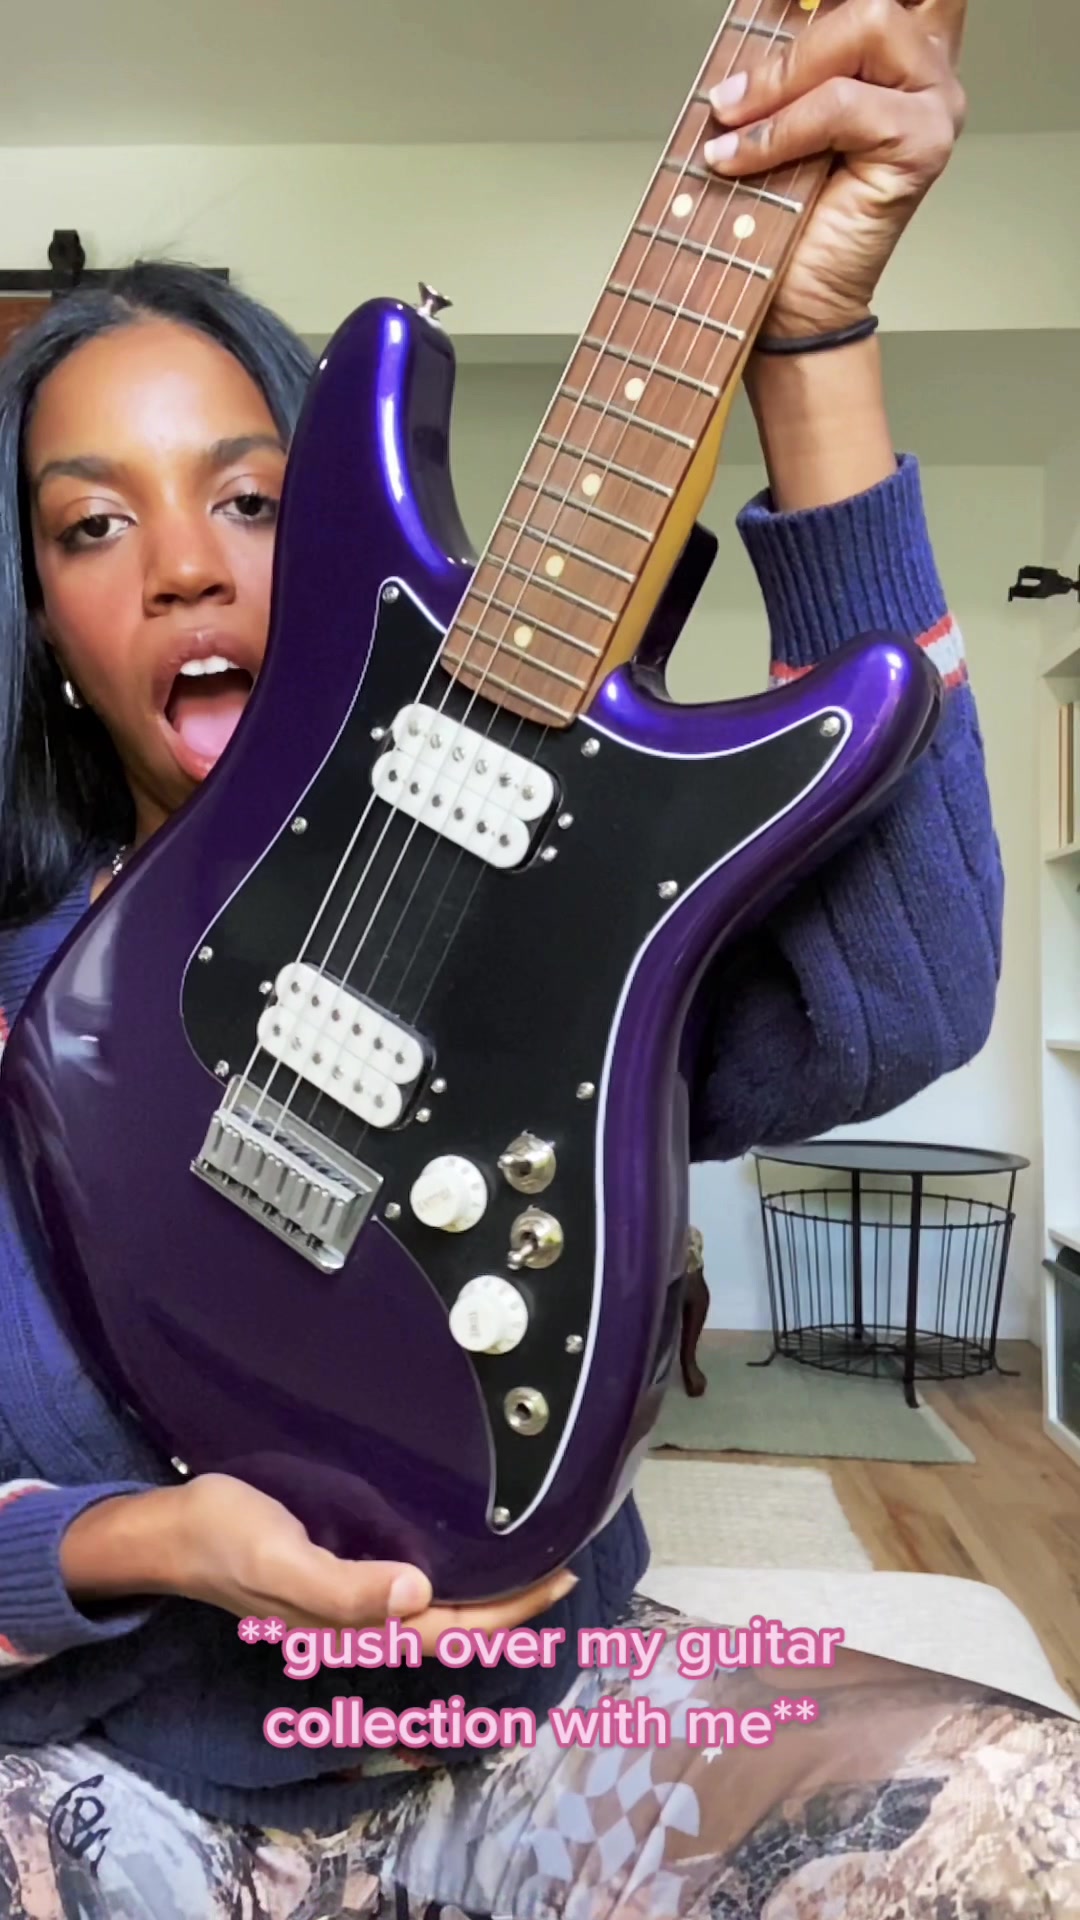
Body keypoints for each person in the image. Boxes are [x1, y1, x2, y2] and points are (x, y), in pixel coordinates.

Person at [0, 0, 1074, 1913]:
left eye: (251, 497)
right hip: (121, 1766)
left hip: (532, 1733)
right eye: (95, 523)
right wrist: (148, 1545)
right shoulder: (34, 1003)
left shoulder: (558, 902)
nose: (185, 564)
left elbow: (903, 997)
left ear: (344, 533)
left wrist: (816, 341)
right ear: (41, 615)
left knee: (1033, 1826)